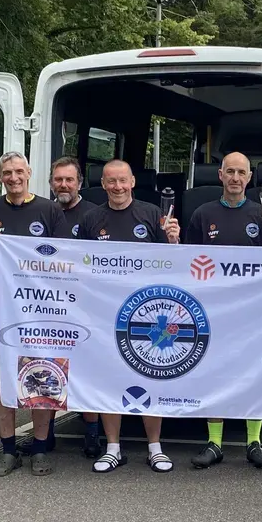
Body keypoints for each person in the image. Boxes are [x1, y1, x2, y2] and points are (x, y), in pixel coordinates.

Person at [185, 152, 262, 470]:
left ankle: (253, 442)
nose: (234, 178)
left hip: (254, 310)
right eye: (229, 171)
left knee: (253, 373)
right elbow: (186, 262)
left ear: (249, 177)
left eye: (240, 172)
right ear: (220, 175)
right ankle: (214, 442)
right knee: (213, 372)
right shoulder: (202, 214)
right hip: (213, 308)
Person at [78, 160, 181, 474]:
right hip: (105, 315)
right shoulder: (91, 219)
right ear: (103, 184)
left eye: (123, 180)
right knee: (111, 380)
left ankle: (154, 448)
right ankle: (113, 448)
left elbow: (173, 262)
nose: (117, 187)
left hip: (148, 312)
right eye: (111, 182)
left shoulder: (152, 214)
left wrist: (175, 241)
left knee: (150, 377)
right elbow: (79, 266)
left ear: (133, 180)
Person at [0, 151, 67, 478]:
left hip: (41, 311)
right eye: (7, 173)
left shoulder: (49, 210)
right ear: (0, 177)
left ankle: (40, 449)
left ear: (29, 172)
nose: (13, 178)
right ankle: (8, 449)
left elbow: (64, 261)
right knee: (1, 384)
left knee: (43, 380)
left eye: (18, 171)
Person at [49, 155, 101, 458]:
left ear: (79, 182)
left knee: (87, 370)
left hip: (87, 304)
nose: (64, 185)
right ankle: (47, 433)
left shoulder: (94, 214)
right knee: (52, 366)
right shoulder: (44, 211)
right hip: (50, 304)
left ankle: (91, 432)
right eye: (59, 180)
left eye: (69, 179)